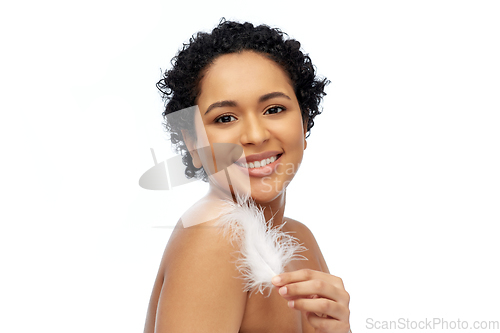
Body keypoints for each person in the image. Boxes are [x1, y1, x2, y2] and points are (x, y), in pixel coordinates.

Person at [143, 19, 351, 333]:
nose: (254, 135)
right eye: (225, 118)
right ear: (193, 143)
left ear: (305, 121)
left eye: (274, 109)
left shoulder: (301, 240)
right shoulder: (214, 239)